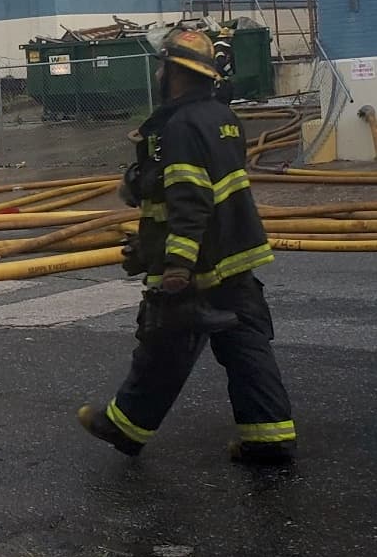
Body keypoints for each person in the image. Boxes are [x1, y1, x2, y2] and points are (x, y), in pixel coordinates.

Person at [78, 28, 296, 465]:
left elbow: (189, 199)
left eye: (162, 66)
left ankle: (126, 426)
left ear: (174, 74)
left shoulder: (178, 127)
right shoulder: (223, 117)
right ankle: (269, 435)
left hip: (197, 261)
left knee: (166, 341)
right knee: (244, 341)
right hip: (234, 252)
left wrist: (176, 266)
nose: (158, 74)